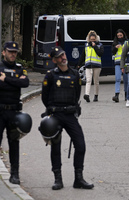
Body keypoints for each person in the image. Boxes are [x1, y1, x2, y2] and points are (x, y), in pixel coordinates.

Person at [42, 46, 94, 190]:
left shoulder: (75, 74)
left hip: (70, 115)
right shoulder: (50, 75)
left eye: (63, 54)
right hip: (55, 115)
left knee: (80, 144)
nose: (63, 58)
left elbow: (77, 95)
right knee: (56, 147)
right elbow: (45, 97)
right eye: (59, 56)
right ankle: (58, 179)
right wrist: (52, 109)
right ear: (54, 60)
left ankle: (78, 179)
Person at [0, 41, 29, 184]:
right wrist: (15, 81)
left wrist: (7, 79)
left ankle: (15, 174)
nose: (12, 54)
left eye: (15, 52)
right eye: (10, 51)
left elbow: (26, 83)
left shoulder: (20, 68)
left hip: (13, 112)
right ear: (3, 52)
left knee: (14, 143)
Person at [78, 30, 104, 102]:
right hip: (88, 65)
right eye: (91, 39)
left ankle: (96, 95)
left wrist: (95, 46)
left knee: (96, 81)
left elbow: (100, 53)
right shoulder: (86, 45)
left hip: (97, 65)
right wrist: (79, 64)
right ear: (89, 39)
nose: (92, 41)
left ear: (96, 38)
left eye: (94, 39)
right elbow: (83, 55)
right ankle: (87, 95)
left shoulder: (99, 45)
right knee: (88, 80)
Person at [111, 29, 128, 102]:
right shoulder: (115, 42)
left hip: (126, 63)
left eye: (121, 35)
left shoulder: (127, 42)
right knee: (117, 79)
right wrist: (115, 48)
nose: (119, 37)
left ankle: (127, 95)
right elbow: (112, 51)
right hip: (118, 63)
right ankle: (116, 95)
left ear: (123, 35)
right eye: (118, 36)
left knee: (126, 80)